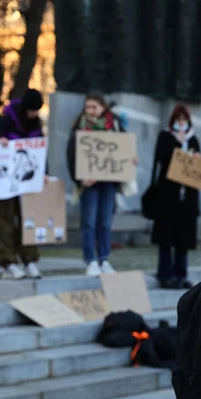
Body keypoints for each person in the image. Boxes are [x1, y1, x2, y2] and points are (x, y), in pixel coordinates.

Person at [67, 93, 132, 277]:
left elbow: (125, 151)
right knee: (89, 222)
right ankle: (90, 260)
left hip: (109, 183)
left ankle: (104, 258)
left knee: (105, 222)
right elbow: (71, 156)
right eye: (88, 107)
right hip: (88, 184)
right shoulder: (80, 128)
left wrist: (129, 161)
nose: (91, 111)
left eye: (94, 107)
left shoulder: (116, 127)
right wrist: (80, 179)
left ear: (103, 108)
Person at [0, 88, 45, 279]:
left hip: (26, 183)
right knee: (5, 220)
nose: (33, 114)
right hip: (6, 183)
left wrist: (43, 174)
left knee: (28, 219)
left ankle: (29, 260)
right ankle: (8, 262)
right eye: (32, 110)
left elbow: (39, 152)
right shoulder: (5, 122)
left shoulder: (36, 124)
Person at [149, 105, 201, 289]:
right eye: (178, 119)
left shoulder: (193, 138)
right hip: (167, 196)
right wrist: (178, 144)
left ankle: (180, 273)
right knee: (166, 238)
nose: (181, 123)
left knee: (183, 238)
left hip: (187, 197)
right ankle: (164, 274)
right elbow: (163, 159)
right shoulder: (166, 137)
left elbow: (198, 166)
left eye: (184, 119)